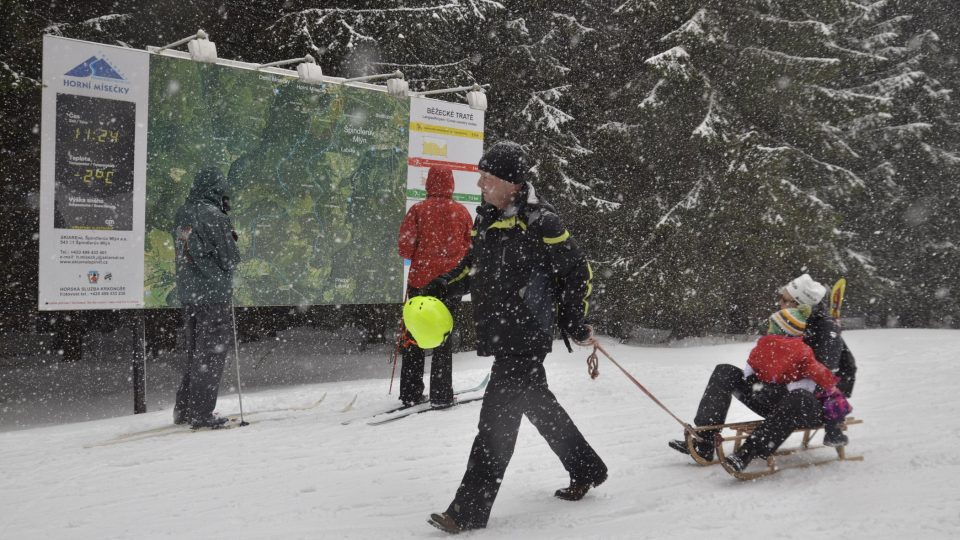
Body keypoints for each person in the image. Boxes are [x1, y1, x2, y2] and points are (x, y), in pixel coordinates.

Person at [425, 141, 607, 534]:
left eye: (487, 179)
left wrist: (575, 319)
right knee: (538, 404)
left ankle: (468, 511)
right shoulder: (487, 218)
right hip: (501, 331)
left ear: (510, 183)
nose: (481, 184)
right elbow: (472, 266)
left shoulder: (542, 221)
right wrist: (439, 287)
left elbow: (578, 270)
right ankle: (586, 468)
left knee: (496, 422)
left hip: (527, 333)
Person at [669, 307, 851, 472]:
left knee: (798, 396)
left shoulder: (819, 341)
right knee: (725, 371)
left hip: (801, 410)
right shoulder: (767, 344)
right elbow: (752, 370)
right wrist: (759, 381)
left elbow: (833, 380)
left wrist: (826, 392)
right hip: (770, 400)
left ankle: (747, 453)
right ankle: (705, 440)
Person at [396, 165, 473, 407]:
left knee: (413, 337)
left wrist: (423, 256)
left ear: (429, 183)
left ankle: (410, 393)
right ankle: (441, 394)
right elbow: (470, 249)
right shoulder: (461, 212)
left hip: (420, 282)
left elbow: (404, 249)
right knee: (443, 337)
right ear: (451, 183)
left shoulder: (418, 210)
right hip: (449, 285)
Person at [171, 167, 241, 429]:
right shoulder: (215, 217)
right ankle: (201, 412)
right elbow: (230, 258)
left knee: (193, 352)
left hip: (189, 294)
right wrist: (231, 235)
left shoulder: (183, 212)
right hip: (213, 294)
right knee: (210, 354)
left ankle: (184, 408)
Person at [776, 273, 858, 446]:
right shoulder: (793, 321)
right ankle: (833, 426)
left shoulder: (822, 329)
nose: (779, 303)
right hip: (799, 390)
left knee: (828, 387)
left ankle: (833, 427)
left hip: (812, 396)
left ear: (799, 304)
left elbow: (826, 372)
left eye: (784, 299)